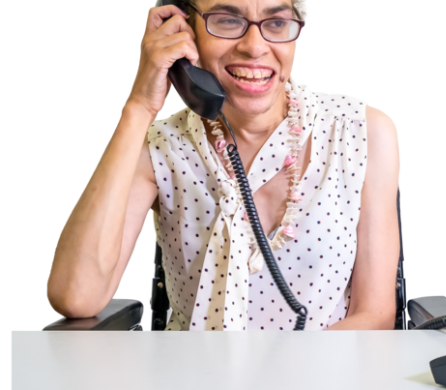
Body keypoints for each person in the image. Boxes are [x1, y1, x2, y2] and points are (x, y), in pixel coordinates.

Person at [47, 0, 401, 332]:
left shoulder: (360, 131)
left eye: (276, 23)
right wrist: (139, 106)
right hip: (191, 377)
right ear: (183, 28)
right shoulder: (160, 144)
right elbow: (77, 295)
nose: (254, 46)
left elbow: (375, 315)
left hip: (319, 378)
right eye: (228, 21)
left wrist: (280, 377)